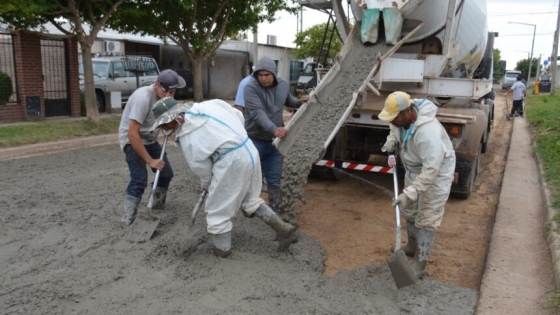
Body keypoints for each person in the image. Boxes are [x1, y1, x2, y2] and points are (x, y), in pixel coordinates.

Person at [150, 98, 297, 258]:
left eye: (164, 124)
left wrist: (208, 185)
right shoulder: (208, 105)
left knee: (216, 209)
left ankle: (222, 251)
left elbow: (203, 169)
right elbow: (238, 116)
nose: (163, 128)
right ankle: (282, 228)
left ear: (174, 118)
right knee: (248, 198)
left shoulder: (188, 138)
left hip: (230, 160)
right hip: (248, 149)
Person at [379, 91, 456, 279]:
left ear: (407, 113)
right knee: (411, 210)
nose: (392, 121)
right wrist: (391, 140)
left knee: (428, 216)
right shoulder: (402, 117)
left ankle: (420, 263)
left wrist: (409, 193)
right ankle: (412, 245)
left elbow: (431, 170)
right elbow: (394, 127)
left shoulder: (428, 134)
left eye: (394, 118)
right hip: (414, 169)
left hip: (436, 174)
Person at [118, 69, 186, 225]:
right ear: (156, 84)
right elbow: (132, 134)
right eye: (166, 91)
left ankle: (155, 208)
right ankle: (128, 218)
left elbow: (167, 127)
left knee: (165, 173)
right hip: (132, 139)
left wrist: (176, 120)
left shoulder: (167, 99)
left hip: (149, 138)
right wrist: (150, 161)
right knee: (139, 179)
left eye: (173, 91)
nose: (169, 95)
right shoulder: (143, 98)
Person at [244, 56, 309, 214]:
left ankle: (277, 216)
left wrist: (300, 102)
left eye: (267, 75)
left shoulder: (283, 85)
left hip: (275, 143)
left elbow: (289, 102)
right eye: (260, 75)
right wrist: (274, 129)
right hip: (254, 141)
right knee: (247, 177)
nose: (263, 79)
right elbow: (257, 113)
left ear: (274, 73)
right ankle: (244, 206)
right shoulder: (251, 88)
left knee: (274, 181)